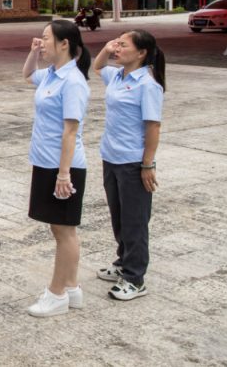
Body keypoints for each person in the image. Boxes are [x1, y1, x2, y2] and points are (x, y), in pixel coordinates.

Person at [21, 19, 91, 317]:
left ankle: (57, 294)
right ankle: (72, 287)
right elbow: (26, 75)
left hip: (62, 166)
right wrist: (34, 53)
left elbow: (70, 132)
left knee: (65, 232)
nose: (42, 41)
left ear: (65, 44)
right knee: (61, 228)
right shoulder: (51, 74)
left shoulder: (73, 81)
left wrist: (64, 174)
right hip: (46, 161)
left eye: (47, 38)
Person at [93, 29, 165, 301]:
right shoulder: (117, 75)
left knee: (135, 220)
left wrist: (148, 164)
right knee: (118, 215)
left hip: (133, 161)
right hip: (111, 156)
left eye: (123, 45)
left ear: (142, 52)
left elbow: (153, 126)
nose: (117, 49)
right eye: (117, 44)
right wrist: (107, 47)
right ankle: (123, 261)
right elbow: (97, 66)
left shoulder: (148, 84)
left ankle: (135, 278)